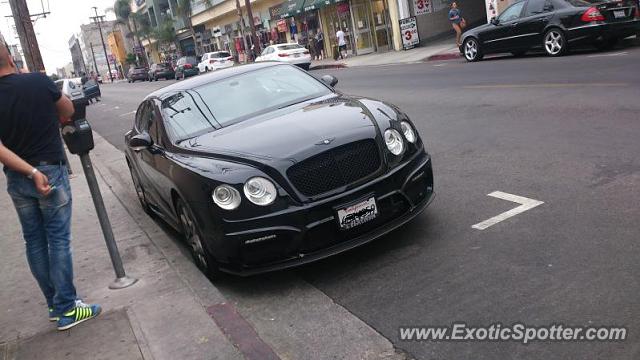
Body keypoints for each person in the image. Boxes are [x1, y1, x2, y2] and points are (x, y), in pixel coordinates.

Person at [0, 41, 102, 331]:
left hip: (18, 177)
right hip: (49, 171)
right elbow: (68, 109)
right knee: (58, 240)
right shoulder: (37, 81)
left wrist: (29, 171)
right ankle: (68, 308)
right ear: (8, 53)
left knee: (33, 241)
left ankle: (55, 305)